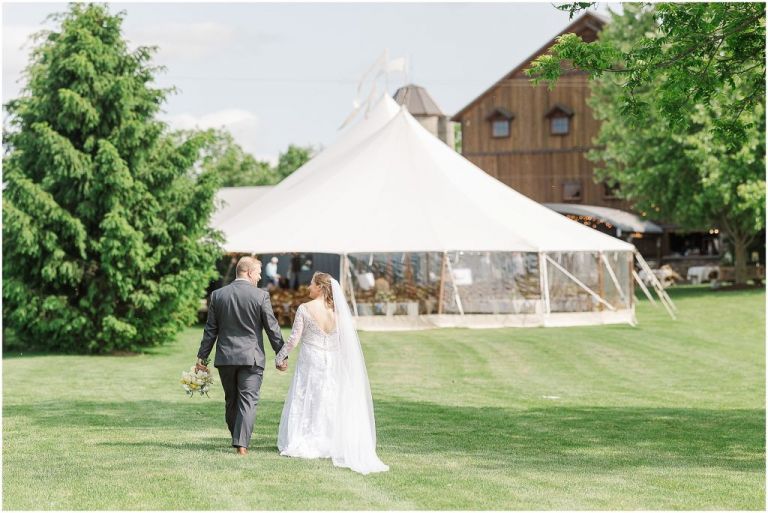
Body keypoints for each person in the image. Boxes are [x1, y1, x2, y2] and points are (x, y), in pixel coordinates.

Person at [274, 272, 389, 475]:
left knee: (307, 396)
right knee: (330, 397)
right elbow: (345, 342)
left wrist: (280, 357)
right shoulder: (338, 312)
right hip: (332, 360)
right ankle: (330, 440)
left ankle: (308, 439)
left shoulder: (305, 308)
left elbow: (294, 339)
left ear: (320, 287)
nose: (308, 287)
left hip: (311, 359)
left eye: (311, 284)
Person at [195, 256, 287, 456]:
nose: (260, 277)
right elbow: (272, 328)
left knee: (232, 400)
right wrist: (281, 355)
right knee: (248, 400)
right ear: (249, 272)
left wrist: (202, 357)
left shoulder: (218, 295)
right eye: (258, 273)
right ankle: (241, 444)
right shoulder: (261, 296)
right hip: (251, 358)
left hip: (226, 357)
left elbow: (210, 330)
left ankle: (238, 439)